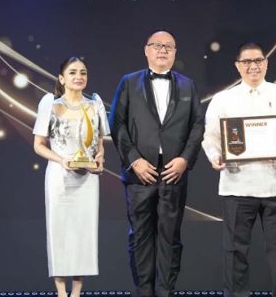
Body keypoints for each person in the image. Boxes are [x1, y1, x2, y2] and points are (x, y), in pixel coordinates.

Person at [202, 42, 276, 297]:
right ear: (238, 66)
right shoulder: (223, 100)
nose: (253, 66)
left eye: (258, 61)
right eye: (247, 62)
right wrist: (215, 156)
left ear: (266, 63)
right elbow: (211, 137)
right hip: (237, 187)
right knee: (234, 251)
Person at [109, 30, 204, 297]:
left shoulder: (188, 85)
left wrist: (185, 160)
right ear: (146, 50)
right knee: (140, 235)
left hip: (174, 171)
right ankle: (144, 292)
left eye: (168, 46)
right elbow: (117, 123)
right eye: (157, 45)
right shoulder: (129, 82)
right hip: (140, 172)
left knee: (170, 236)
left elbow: (198, 125)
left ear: (175, 52)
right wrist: (134, 160)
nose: (163, 50)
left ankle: (166, 292)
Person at [33, 56, 109, 297]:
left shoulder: (95, 104)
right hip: (59, 178)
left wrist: (99, 159)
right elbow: (39, 145)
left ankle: (76, 292)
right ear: (62, 78)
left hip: (87, 179)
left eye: (83, 72)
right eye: (73, 72)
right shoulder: (50, 104)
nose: (79, 77)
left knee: (83, 233)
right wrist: (61, 160)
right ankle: (60, 292)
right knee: (60, 232)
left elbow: (99, 142)